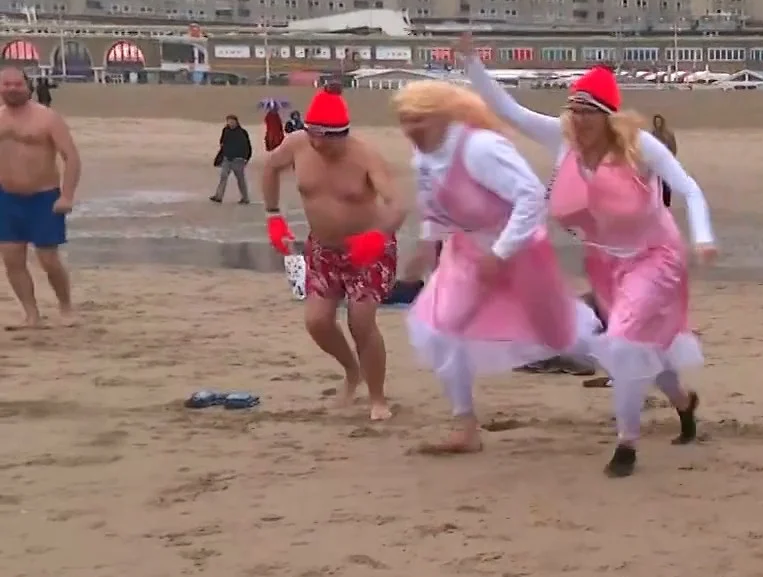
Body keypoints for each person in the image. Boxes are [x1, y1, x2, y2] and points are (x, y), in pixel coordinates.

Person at [460, 39, 717, 475]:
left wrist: (704, 236)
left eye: (586, 111)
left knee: (621, 344)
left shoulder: (639, 148)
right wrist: (471, 63)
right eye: (572, 110)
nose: (577, 119)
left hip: (656, 257)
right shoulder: (564, 142)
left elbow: (689, 188)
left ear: (607, 116)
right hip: (606, 265)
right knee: (640, 349)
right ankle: (683, 402)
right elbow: (508, 110)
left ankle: (626, 445)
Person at [393, 81, 600, 455]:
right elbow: (435, 208)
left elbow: (531, 197)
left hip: (520, 252)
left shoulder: (481, 149)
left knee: (563, 338)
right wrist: (425, 248)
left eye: (418, 121)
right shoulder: (423, 158)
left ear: (443, 118)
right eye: (405, 122)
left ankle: (637, 363)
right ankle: (466, 426)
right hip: (468, 253)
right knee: (442, 329)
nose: (410, 130)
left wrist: (502, 252)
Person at [258, 87, 406, 421]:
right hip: (323, 249)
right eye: (311, 135)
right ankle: (352, 371)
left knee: (361, 321)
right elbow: (270, 168)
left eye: (323, 138)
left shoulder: (365, 156)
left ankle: (378, 398)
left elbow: (397, 204)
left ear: (341, 134)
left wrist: (378, 236)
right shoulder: (299, 144)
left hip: (368, 249)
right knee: (317, 322)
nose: (316, 144)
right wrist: (273, 217)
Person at [0, 65, 81, 329]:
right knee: (12, 259)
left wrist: (67, 195)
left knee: (48, 259)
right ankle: (31, 314)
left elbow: (71, 157)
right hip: (7, 198)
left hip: (44, 197)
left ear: (28, 86)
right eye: (6, 84)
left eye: (17, 84)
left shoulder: (47, 118)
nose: (12, 89)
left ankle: (66, 307)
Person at [211, 114, 253, 203]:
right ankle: (218, 196)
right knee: (223, 176)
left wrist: (246, 158)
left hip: (238, 160)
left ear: (236, 122)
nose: (230, 123)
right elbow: (222, 142)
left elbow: (247, 146)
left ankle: (245, 198)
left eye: (232, 121)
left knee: (240, 179)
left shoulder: (242, 132)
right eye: (229, 121)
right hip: (227, 158)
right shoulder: (225, 131)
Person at [650, 113, 678, 207]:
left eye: (659, 122)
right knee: (656, 183)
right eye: (656, 122)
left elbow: (673, 147)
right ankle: (658, 203)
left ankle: (666, 203)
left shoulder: (668, 134)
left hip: (666, 161)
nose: (658, 123)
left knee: (666, 183)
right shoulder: (653, 134)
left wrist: (671, 159)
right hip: (656, 162)